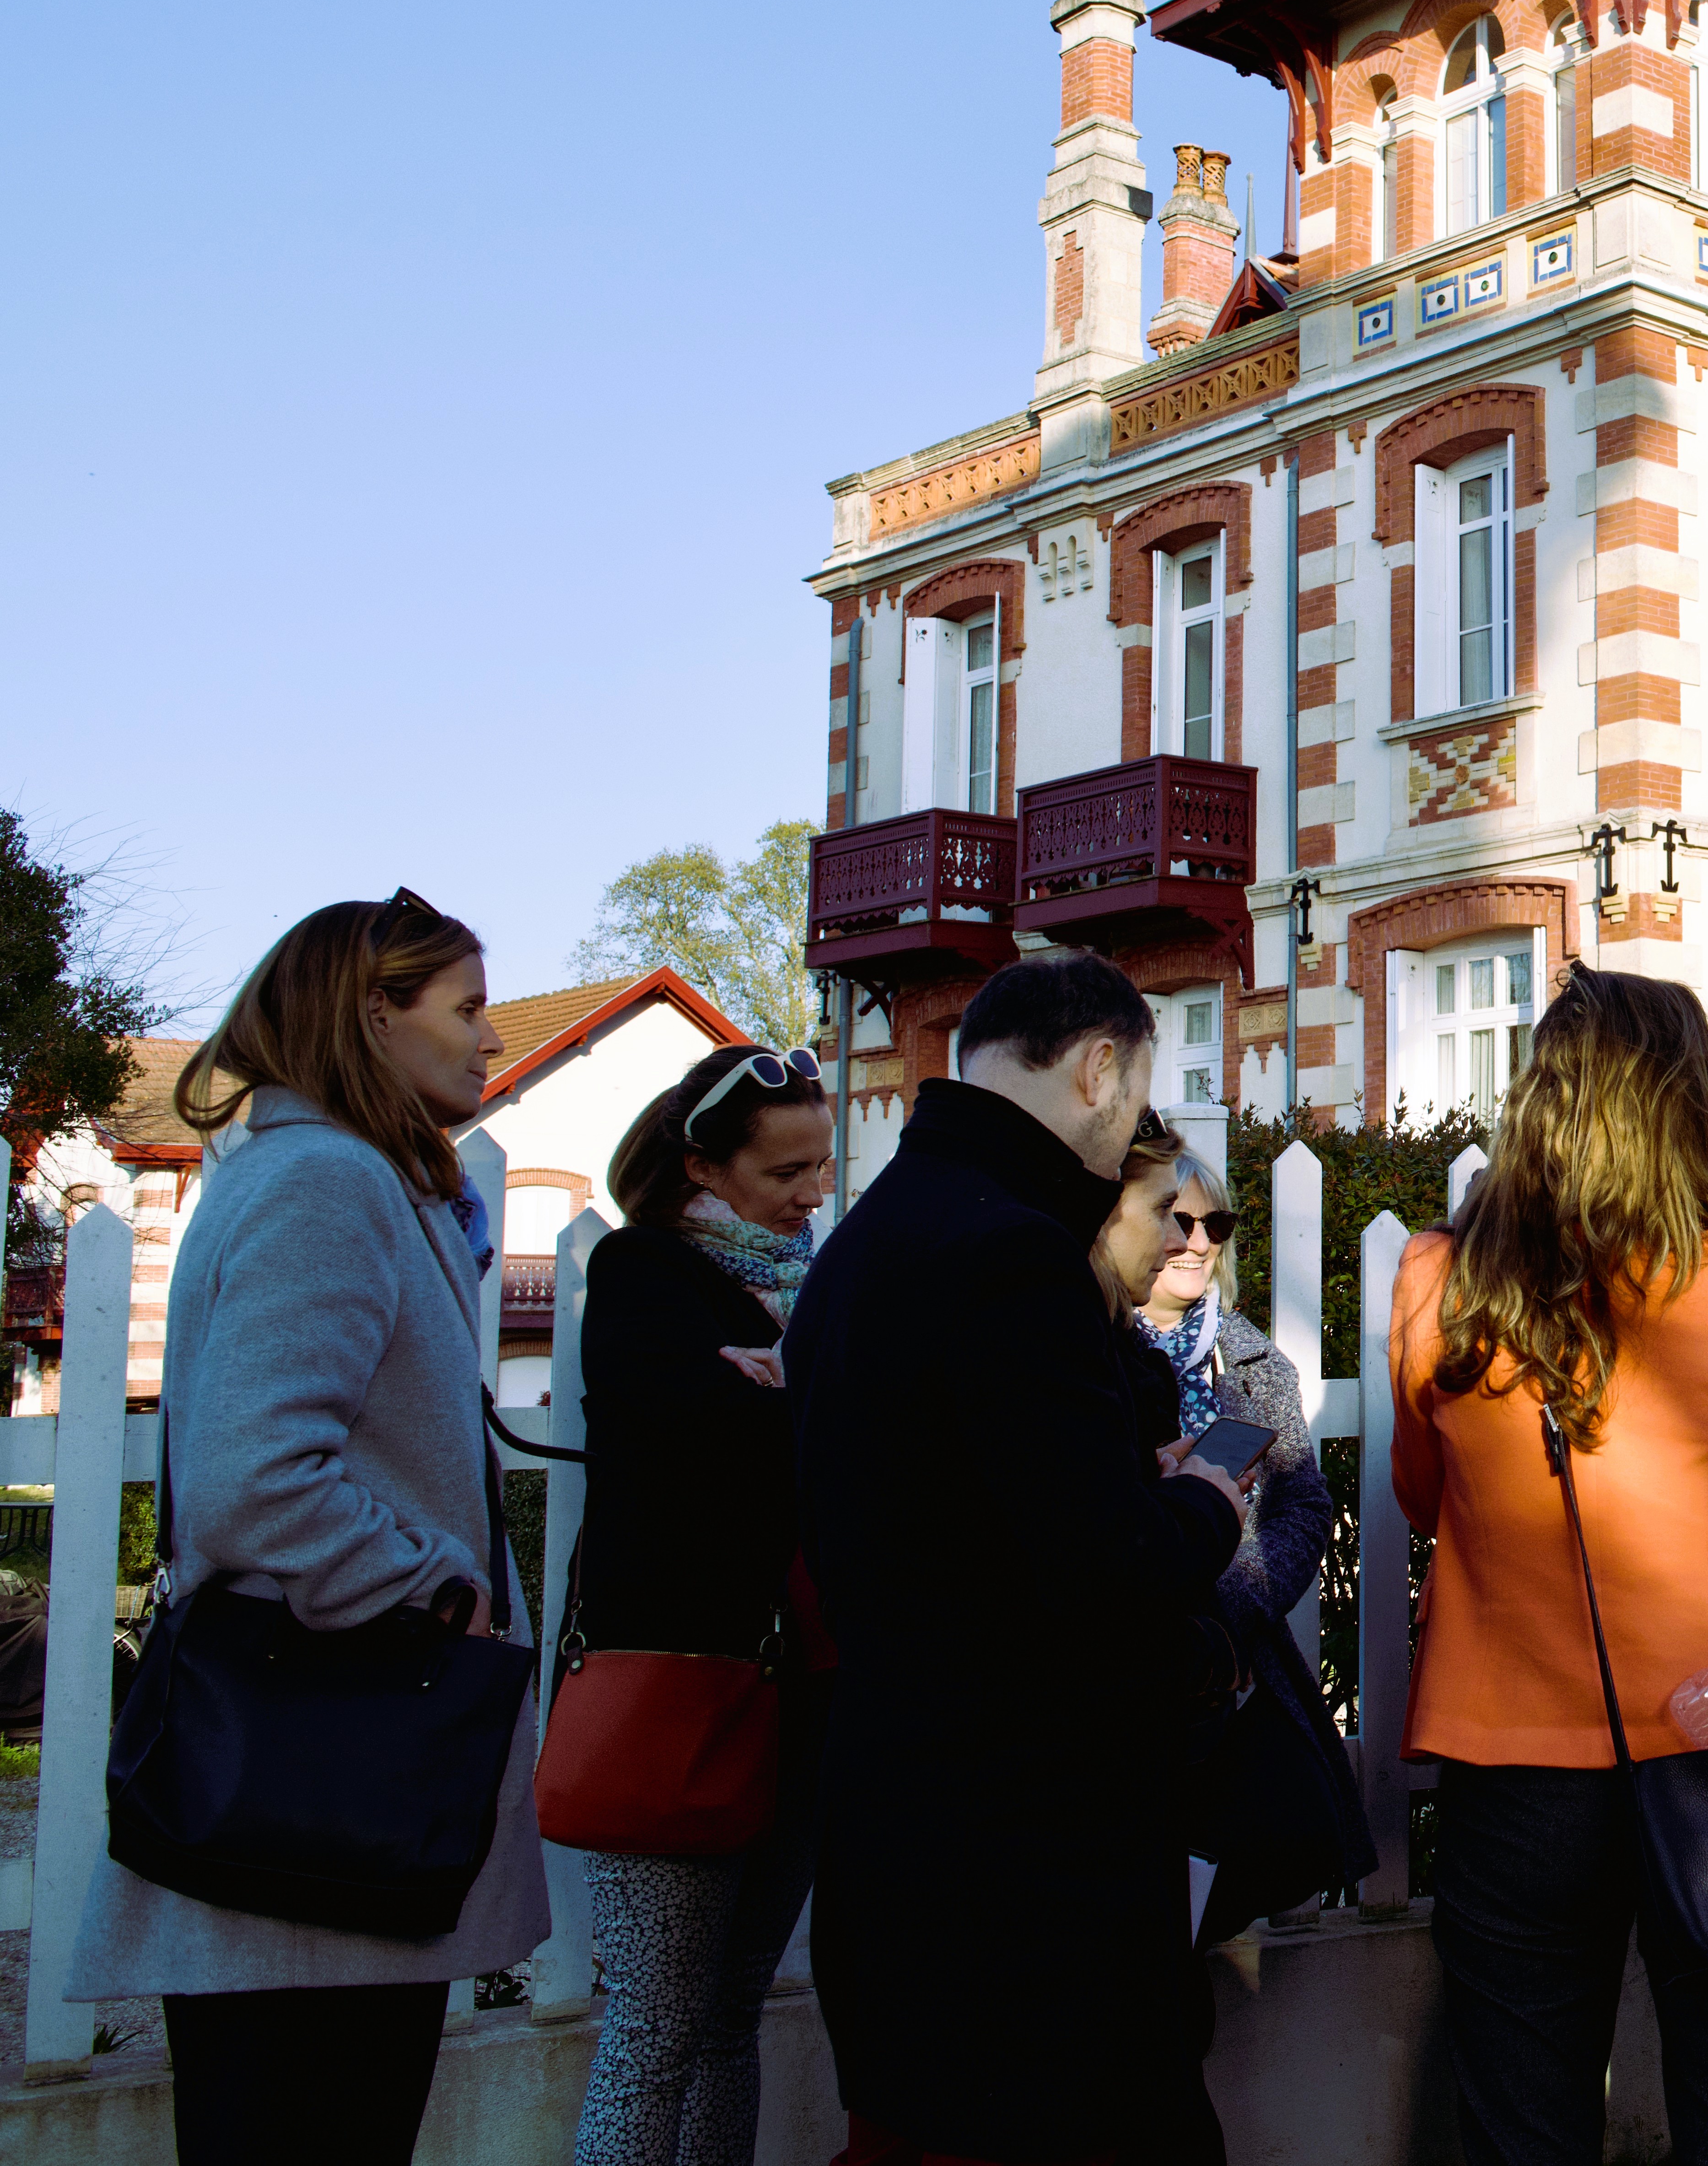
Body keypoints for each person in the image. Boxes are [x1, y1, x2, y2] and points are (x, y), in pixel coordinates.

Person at [68, 891, 546, 2166]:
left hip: (325, 1800)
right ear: (371, 1013)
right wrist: (437, 1588)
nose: (491, 1037)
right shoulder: (330, 1180)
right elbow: (256, 1475)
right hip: (329, 1792)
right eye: (465, 1006)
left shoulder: (324, 1171)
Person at [785, 952, 1247, 2166]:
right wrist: (1204, 1502)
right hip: (1030, 1865)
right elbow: (1104, 1560)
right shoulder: (1016, 1253)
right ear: (1100, 1067)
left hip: (895, 1824)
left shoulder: (866, 1237)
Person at [1387, 965, 1708, 2166]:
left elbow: (1421, 1497)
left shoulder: (1442, 1274)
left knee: (1522, 2127)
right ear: (1689, 1099)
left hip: (1512, 1759)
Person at [567, 1043, 836, 2166]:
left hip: (798, 1693)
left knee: (729, 2018)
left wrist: (790, 1393)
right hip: (679, 1693)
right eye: (784, 1174)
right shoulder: (640, 1275)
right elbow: (705, 1444)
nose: (813, 1194)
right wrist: (804, 1404)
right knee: (652, 2033)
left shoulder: (810, 1294)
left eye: (822, 1166)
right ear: (704, 1168)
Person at [1110, 1136, 1334, 1637]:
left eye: (1215, 1226)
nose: (1198, 1243)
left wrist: (1242, 1594)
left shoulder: (1254, 1361)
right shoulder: (1097, 1352)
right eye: (1181, 1220)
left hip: (1239, 1654)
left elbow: (1304, 1502)